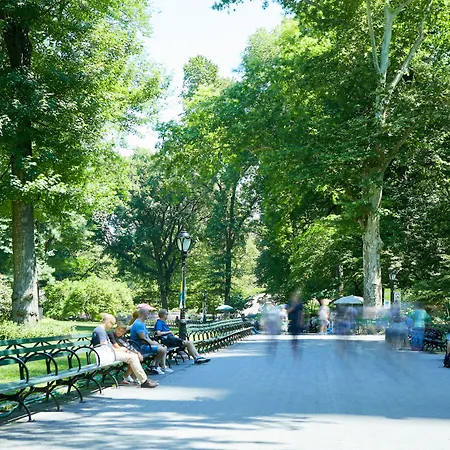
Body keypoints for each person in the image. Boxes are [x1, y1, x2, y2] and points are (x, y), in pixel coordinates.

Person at [91, 313, 158, 388]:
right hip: (105, 355)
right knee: (132, 357)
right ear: (107, 322)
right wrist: (118, 350)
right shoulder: (100, 331)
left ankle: (143, 380)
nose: (112, 326)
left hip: (109, 353)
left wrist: (119, 350)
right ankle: (144, 381)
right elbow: (104, 347)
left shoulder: (101, 330)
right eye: (112, 324)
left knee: (133, 356)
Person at [130, 307, 173, 374]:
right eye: (148, 313)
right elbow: (143, 340)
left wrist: (154, 343)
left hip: (144, 345)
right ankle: (155, 367)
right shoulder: (138, 324)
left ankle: (159, 366)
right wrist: (155, 344)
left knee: (163, 347)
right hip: (139, 347)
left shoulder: (142, 323)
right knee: (162, 349)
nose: (149, 315)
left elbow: (146, 338)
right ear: (144, 314)